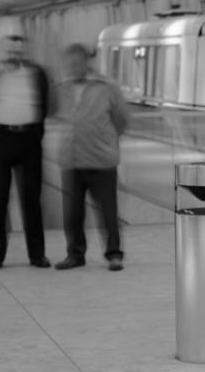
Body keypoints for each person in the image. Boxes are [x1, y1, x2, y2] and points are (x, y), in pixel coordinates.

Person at [53, 43, 129, 271]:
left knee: (108, 211)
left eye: (76, 63)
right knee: (72, 213)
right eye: (68, 63)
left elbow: (121, 119)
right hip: (72, 159)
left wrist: (106, 141)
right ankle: (75, 254)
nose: (71, 67)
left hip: (101, 159)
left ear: (86, 62)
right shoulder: (60, 88)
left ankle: (114, 254)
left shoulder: (107, 88)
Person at [0, 35, 51, 271]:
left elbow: (45, 104)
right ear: (2, 52)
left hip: (29, 140)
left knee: (32, 199)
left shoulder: (37, 73)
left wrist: (36, 133)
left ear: (25, 52)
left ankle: (37, 255)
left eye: (19, 52)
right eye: (11, 52)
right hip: (2, 140)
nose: (15, 57)